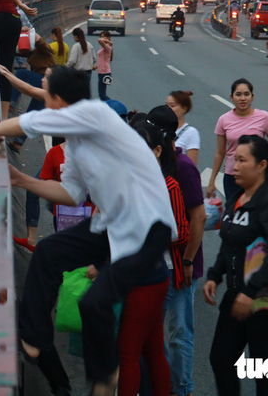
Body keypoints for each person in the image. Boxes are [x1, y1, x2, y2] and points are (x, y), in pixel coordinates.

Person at [0, 67, 178, 396]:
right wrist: (21, 179)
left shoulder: (94, 114)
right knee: (47, 252)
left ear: (57, 101)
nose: (41, 101)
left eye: (45, 94)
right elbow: (70, 193)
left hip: (147, 231)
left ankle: (105, 376)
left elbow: (31, 123)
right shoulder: (78, 143)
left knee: (94, 303)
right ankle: (35, 339)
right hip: (112, 226)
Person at [204, 135, 268, 396]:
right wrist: (214, 275)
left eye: (242, 160)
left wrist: (250, 292)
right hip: (236, 295)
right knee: (221, 360)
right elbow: (229, 241)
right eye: (234, 159)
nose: (235, 166)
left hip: (264, 300)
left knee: (262, 370)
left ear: (262, 165)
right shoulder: (238, 199)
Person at [115, 119, 189, 396]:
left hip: (155, 272)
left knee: (131, 352)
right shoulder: (133, 182)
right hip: (142, 272)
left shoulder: (168, 186)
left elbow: (182, 233)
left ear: (157, 151)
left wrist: (144, 232)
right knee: (151, 347)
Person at [145, 105, 207, 396]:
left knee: (179, 333)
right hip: (163, 265)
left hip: (183, 264)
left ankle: (182, 388)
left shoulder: (183, 167)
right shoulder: (163, 163)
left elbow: (199, 216)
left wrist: (189, 259)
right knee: (157, 334)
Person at [207, 78, 268, 201]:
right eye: (238, 94)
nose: (242, 98)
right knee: (235, 213)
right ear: (231, 97)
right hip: (233, 175)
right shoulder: (223, 120)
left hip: (256, 175)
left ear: (252, 97)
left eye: (246, 94)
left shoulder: (264, 117)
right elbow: (220, 152)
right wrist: (212, 181)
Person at [166, 91, 200, 165]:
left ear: (184, 109)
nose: (167, 109)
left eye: (172, 106)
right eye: (166, 105)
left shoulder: (191, 133)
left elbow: (191, 166)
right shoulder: (161, 128)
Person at [96, 31, 113, 101]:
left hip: (105, 72)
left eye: (104, 36)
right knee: (101, 95)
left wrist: (108, 41)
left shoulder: (108, 47)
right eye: (101, 36)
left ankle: (113, 104)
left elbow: (99, 40)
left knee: (102, 95)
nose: (102, 38)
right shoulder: (103, 48)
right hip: (101, 72)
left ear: (108, 37)